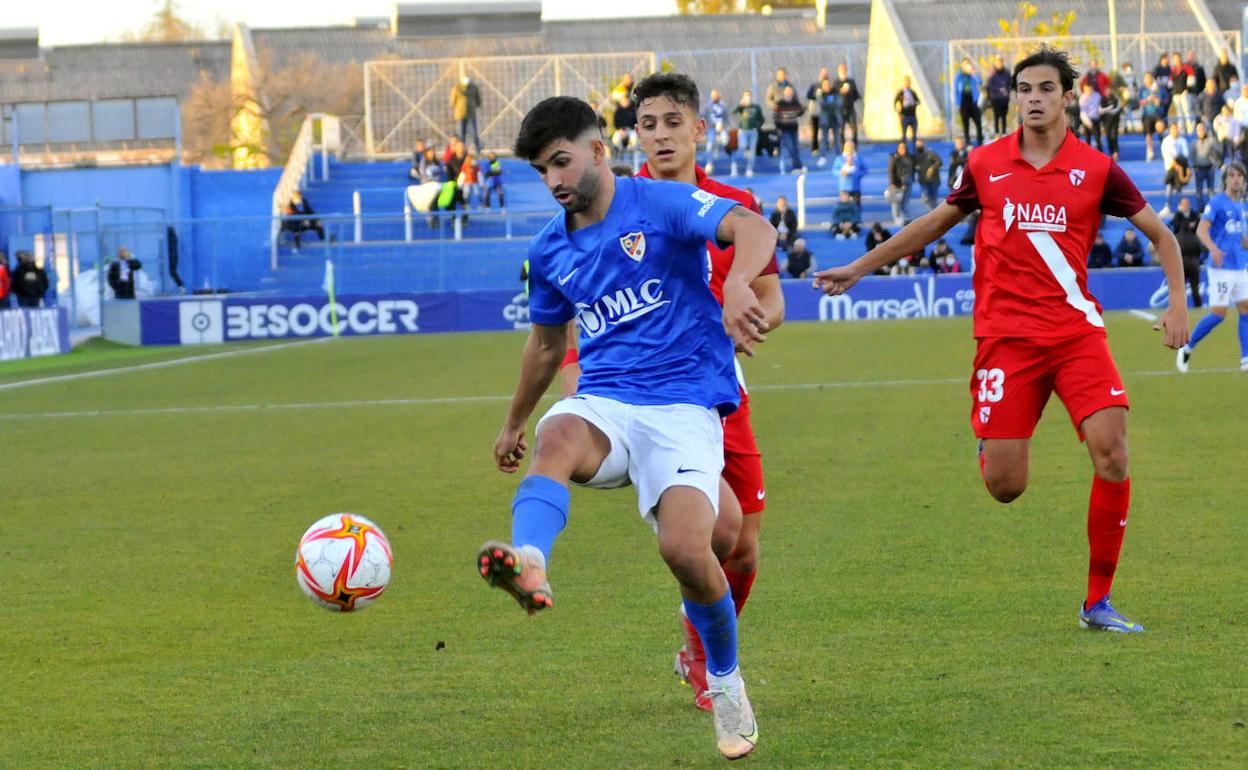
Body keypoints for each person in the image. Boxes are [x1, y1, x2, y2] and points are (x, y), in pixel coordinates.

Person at [814, 47, 1189, 634]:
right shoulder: (985, 163)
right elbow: (933, 224)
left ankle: (1097, 601)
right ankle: (990, 446)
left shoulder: (1097, 169)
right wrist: (859, 267)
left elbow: (1163, 237)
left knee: (1113, 451)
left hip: (1075, 334)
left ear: (1069, 97)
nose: (1033, 98)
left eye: (1045, 88)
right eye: (1024, 89)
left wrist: (1178, 307)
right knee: (1006, 487)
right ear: (1014, 97)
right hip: (1007, 341)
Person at [483, 94, 774, 760]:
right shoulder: (549, 249)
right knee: (558, 437)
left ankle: (725, 681)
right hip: (609, 404)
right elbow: (548, 346)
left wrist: (737, 287)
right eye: (541, 171)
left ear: (598, 150)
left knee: (691, 549)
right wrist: (514, 423)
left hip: (683, 409)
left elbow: (753, 230)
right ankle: (531, 563)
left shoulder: (661, 204)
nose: (555, 181)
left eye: (562, 162)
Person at [627, 73, 786, 718]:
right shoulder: (617, 207)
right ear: (635, 135)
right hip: (650, 403)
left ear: (699, 129)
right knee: (708, 538)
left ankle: (696, 648)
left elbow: (772, 299)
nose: (660, 135)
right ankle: (715, 665)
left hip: (723, 392)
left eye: (672, 122)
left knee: (744, 547)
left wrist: (749, 311)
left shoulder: (733, 206)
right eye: (648, 124)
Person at [1176, 161, 1248, 372]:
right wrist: (1213, 249)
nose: (1236, 179)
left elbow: (1241, 239)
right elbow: (1201, 230)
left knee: (1246, 309)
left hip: (1239, 266)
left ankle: (1245, 359)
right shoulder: (1217, 202)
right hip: (1221, 268)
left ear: (1243, 180)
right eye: (1232, 175)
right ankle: (1187, 347)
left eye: (1239, 176)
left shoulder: (1240, 205)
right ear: (1225, 179)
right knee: (1218, 314)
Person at [1170, 196, 1204, 307]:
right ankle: (1198, 306)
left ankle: (1180, 307)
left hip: (1181, 263)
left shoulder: (1178, 239)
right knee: (1195, 287)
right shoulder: (1195, 238)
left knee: (1181, 287)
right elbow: (1199, 250)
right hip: (1194, 262)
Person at [732, 90, 764, 177]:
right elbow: (733, 112)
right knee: (742, 147)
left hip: (753, 131)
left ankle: (749, 170)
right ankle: (734, 167)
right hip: (743, 131)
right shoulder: (742, 107)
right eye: (746, 96)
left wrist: (757, 126)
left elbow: (761, 119)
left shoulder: (756, 107)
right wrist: (740, 105)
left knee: (752, 151)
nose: (748, 98)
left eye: (749, 96)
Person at [772, 85, 804, 174]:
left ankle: (798, 166)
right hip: (784, 129)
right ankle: (798, 166)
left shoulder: (795, 103)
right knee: (790, 148)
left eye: (791, 91)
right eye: (787, 91)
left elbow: (800, 112)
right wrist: (778, 127)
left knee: (796, 147)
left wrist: (803, 109)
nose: (789, 93)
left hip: (794, 128)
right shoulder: (780, 103)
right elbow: (775, 116)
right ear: (784, 92)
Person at [953, 58, 984, 146]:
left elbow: (980, 82)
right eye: (965, 64)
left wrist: (973, 73)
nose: (967, 66)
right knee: (966, 125)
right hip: (963, 102)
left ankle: (980, 141)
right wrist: (958, 103)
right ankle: (968, 143)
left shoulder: (972, 75)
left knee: (978, 123)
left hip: (973, 101)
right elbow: (956, 90)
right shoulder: (959, 76)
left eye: (968, 64)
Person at [832, 140, 866, 219]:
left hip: (855, 187)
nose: (850, 149)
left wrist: (857, 174)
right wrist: (841, 173)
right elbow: (834, 170)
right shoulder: (840, 159)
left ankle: (857, 221)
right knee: (843, 206)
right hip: (844, 187)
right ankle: (842, 221)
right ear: (844, 148)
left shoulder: (859, 158)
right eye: (848, 147)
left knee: (856, 206)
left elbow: (865, 170)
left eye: (851, 147)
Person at [1191, 121, 1221, 209]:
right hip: (1199, 169)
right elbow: (1191, 156)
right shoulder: (1194, 143)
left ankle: (1212, 207)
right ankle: (1200, 208)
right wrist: (1193, 167)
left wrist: (1215, 163)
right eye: (1199, 129)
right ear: (1196, 131)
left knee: (1211, 189)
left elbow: (1217, 153)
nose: (1201, 131)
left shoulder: (1211, 141)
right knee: (1199, 190)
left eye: (1203, 129)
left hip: (1209, 168)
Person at [1138, 73, 1167, 162]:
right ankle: (1150, 152)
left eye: (1149, 77)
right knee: (1148, 134)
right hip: (1147, 115)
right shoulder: (1142, 90)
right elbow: (1140, 102)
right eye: (1146, 78)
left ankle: (1164, 151)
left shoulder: (1159, 88)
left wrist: (1159, 101)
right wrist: (1147, 100)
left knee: (1160, 130)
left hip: (1158, 114)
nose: (1148, 79)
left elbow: (1166, 100)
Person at [450, 77, 483, 153]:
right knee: (462, 133)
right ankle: (462, 150)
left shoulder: (473, 87)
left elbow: (478, 99)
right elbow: (453, 100)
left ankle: (477, 148)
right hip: (461, 113)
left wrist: (476, 104)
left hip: (469, 113)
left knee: (473, 132)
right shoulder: (457, 87)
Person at [701, 89, 730, 175]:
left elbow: (726, 118)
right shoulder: (708, 106)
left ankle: (718, 149)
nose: (714, 97)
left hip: (722, 128)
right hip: (711, 128)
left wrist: (723, 125)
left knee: (725, 141)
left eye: (716, 95)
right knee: (709, 146)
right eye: (713, 95)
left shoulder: (723, 105)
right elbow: (704, 117)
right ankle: (709, 162)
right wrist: (705, 128)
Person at [886, 142, 916, 225]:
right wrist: (892, 182)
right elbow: (891, 170)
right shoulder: (894, 158)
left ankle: (907, 217)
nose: (902, 150)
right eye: (900, 148)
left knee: (905, 200)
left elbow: (911, 169)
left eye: (904, 148)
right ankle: (897, 218)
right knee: (896, 201)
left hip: (908, 182)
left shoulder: (909, 157)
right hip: (897, 183)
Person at [813, 76, 840, 167]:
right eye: (824, 85)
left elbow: (839, 103)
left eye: (828, 84)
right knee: (824, 140)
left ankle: (838, 157)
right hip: (825, 120)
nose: (826, 86)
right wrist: (830, 104)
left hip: (835, 119)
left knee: (837, 139)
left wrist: (828, 104)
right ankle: (823, 157)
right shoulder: (820, 94)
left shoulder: (835, 93)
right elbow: (822, 104)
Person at [806, 67, 831, 158]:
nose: (824, 75)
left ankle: (826, 145)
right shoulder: (815, 84)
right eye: (823, 73)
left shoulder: (829, 85)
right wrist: (816, 95)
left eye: (826, 73)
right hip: (815, 111)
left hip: (825, 112)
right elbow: (808, 95)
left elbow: (830, 97)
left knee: (825, 130)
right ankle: (814, 148)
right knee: (815, 130)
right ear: (820, 74)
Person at [833, 63, 861, 142]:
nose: (843, 71)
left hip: (850, 109)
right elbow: (834, 96)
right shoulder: (836, 83)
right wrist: (841, 92)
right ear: (839, 71)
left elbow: (856, 94)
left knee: (854, 128)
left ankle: (854, 146)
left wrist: (852, 99)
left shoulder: (851, 82)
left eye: (845, 69)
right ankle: (842, 146)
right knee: (841, 129)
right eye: (842, 69)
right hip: (840, 109)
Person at [914, 138, 942, 210]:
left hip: (934, 180)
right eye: (917, 144)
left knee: (933, 199)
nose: (919, 145)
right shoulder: (915, 156)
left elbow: (939, 162)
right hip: (923, 181)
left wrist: (932, 168)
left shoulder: (930, 153)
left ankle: (934, 214)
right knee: (926, 198)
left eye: (920, 143)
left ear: (923, 144)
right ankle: (931, 213)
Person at [987, 56, 1012, 137]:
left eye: (1001, 61)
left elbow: (1010, 83)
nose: (999, 63)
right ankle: (996, 133)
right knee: (996, 116)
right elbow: (990, 86)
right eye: (997, 61)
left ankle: (1004, 132)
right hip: (995, 98)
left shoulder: (1006, 73)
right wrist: (999, 89)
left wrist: (1007, 91)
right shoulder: (992, 73)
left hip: (1004, 99)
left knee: (1004, 116)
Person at [894, 75, 920, 149]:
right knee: (903, 136)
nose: (907, 83)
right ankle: (904, 151)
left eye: (908, 81)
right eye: (906, 81)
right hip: (904, 116)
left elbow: (918, 101)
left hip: (912, 116)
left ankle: (914, 151)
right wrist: (899, 113)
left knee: (914, 136)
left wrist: (914, 104)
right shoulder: (901, 93)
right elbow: (895, 103)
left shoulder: (912, 92)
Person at [1099, 86, 1122, 160]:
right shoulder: (1102, 99)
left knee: (1114, 136)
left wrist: (1111, 111)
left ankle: (1116, 152)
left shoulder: (1115, 98)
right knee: (1108, 137)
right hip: (1106, 122)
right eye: (1107, 90)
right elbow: (1100, 110)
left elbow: (1117, 109)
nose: (1108, 92)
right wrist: (1108, 109)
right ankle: (1111, 152)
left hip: (1115, 122)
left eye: (1109, 90)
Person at [1078, 82, 1102, 151]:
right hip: (1087, 120)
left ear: (1092, 88)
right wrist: (1087, 122)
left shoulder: (1097, 95)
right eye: (1087, 89)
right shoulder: (1082, 98)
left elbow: (1100, 106)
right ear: (1085, 89)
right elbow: (1083, 111)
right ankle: (1088, 153)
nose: (1088, 90)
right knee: (1088, 138)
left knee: (1098, 137)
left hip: (1096, 119)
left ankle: (1100, 152)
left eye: (1090, 89)